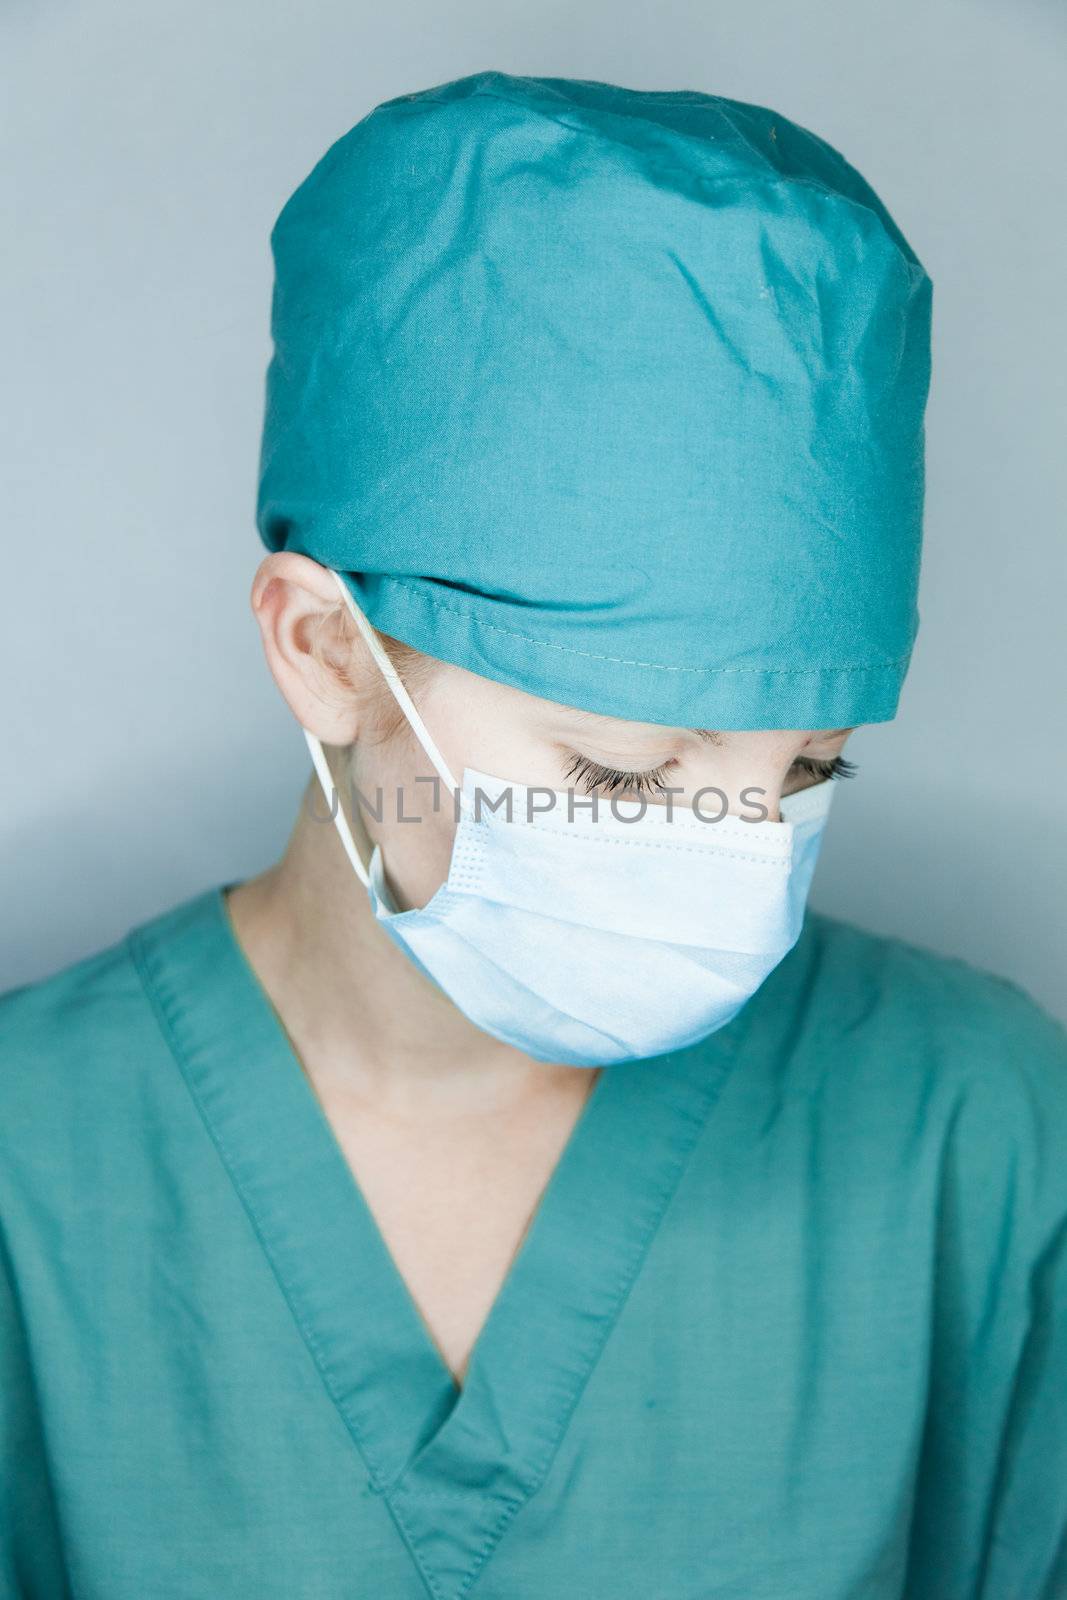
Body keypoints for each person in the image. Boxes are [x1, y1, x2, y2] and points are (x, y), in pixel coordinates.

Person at [1, 68, 1065, 1600]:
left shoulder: (981, 1141)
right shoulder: (37, 1167)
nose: (737, 853)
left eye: (813, 767)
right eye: (627, 773)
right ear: (326, 653)